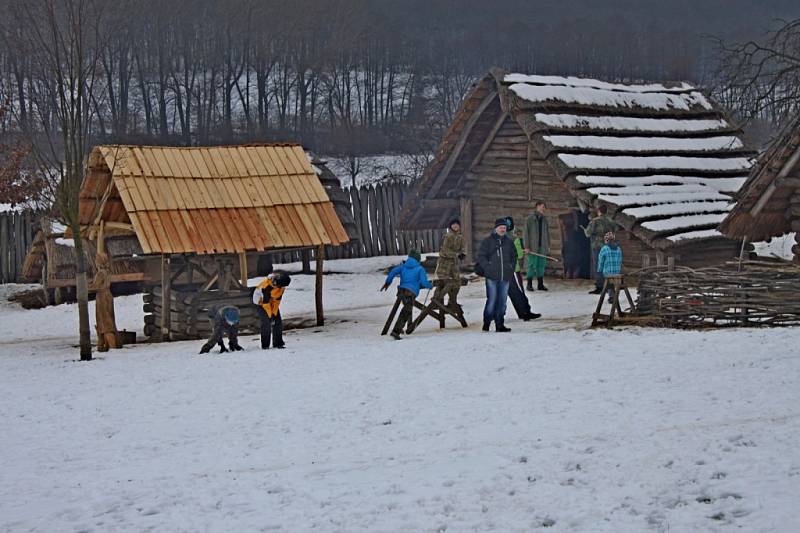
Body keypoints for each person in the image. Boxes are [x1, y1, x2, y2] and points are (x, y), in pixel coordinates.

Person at [381, 249, 432, 340]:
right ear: (418, 259)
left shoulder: (403, 266)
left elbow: (392, 272)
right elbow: (424, 283)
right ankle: (396, 331)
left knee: (406, 309)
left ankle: (398, 328)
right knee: (406, 312)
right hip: (410, 293)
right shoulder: (420, 269)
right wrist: (430, 285)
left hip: (401, 291)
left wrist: (388, 282)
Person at [477, 218, 517, 332]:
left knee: (502, 301)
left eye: (504, 228)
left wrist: (511, 267)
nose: (502, 229)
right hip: (492, 277)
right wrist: (487, 268)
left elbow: (514, 256)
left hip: (505, 277)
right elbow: (481, 256)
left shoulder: (509, 242)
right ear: (495, 228)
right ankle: (487, 323)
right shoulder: (488, 241)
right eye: (500, 227)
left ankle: (500, 324)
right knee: (492, 300)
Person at [506, 217, 541, 321]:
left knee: (509, 293)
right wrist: (524, 251)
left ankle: (520, 313)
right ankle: (526, 312)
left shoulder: (500, 238)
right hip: (514, 270)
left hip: (503, 270)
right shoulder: (514, 239)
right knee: (520, 291)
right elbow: (520, 255)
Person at [432, 218, 465, 310]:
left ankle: (452, 302)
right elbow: (445, 250)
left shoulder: (460, 237)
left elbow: (462, 248)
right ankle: (436, 300)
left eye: (457, 224)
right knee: (444, 282)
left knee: (457, 282)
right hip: (444, 263)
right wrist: (457, 254)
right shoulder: (448, 236)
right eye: (453, 224)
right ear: (450, 226)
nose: (455, 226)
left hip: (453, 263)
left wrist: (463, 254)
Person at [583, 205, 617, 294]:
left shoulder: (595, 221)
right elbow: (615, 231)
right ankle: (609, 287)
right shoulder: (611, 221)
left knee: (598, 267)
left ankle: (600, 287)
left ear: (599, 211)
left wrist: (584, 230)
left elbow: (587, 233)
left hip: (598, 247)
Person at [253, 272, 291, 349]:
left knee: (278, 322)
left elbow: (277, 301)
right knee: (266, 323)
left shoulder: (281, 288)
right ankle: (265, 345)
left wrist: (274, 313)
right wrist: (270, 317)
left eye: (276, 284)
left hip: (271, 302)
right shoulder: (266, 287)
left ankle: (278, 343)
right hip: (260, 302)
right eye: (274, 282)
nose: (273, 283)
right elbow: (265, 304)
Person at [93, 252, 120, 351]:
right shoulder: (107, 272)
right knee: (108, 320)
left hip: (102, 297)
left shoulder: (100, 273)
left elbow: (95, 286)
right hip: (108, 295)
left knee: (105, 323)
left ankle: (112, 346)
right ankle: (107, 344)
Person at [525, 201, 550, 291]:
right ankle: (529, 284)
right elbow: (526, 234)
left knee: (541, 265)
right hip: (532, 247)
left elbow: (547, 234)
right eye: (542, 207)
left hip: (542, 246)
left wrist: (548, 245)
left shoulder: (545, 220)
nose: (544, 209)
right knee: (531, 265)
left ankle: (540, 284)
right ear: (537, 207)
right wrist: (526, 246)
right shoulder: (530, 219)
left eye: (545, 207)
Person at [597, 232, 623, 303]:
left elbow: (601, 261)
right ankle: (614, 295)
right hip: (617, 272)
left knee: (607, 280)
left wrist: (599, 270)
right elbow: (620, 261)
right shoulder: (619, 249)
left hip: (608, 273)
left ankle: (612, 296)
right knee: (613, 281)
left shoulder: (604, 249)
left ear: (606, 240)